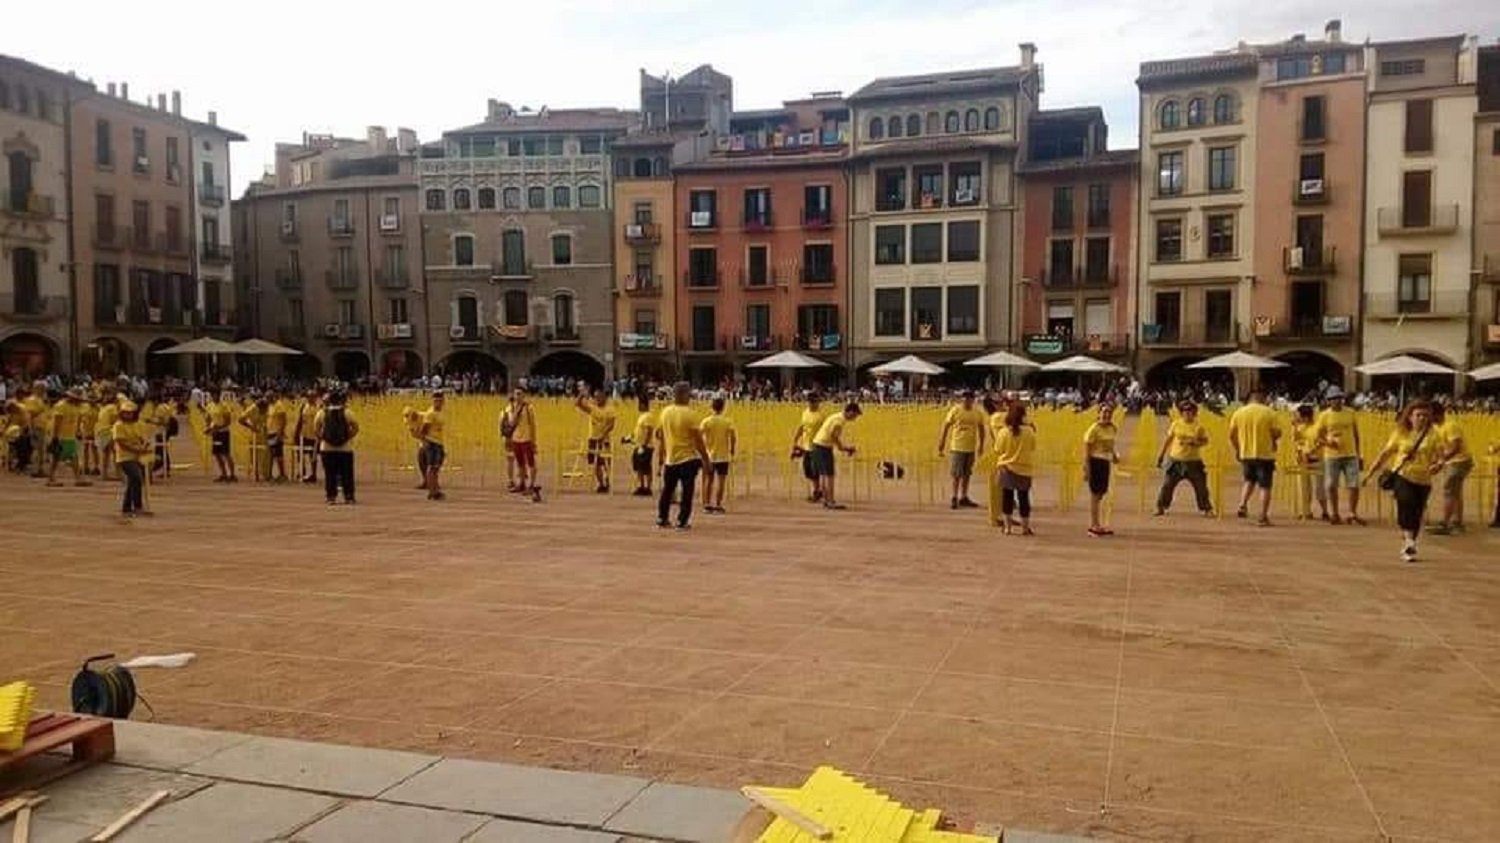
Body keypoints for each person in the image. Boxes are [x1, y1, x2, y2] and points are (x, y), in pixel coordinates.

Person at [1363, 400, 1446, 562]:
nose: (1421, 418)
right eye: (1418, 415)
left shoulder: (1434, 434)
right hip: (1403, 475)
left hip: (1423, 479)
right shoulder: (1401, 433)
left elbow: (1441, 457)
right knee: (1406, 502)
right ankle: (1408, 541)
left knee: (1417, 512)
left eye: (1425, 415)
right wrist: (1370, 473)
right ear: (1409, 417)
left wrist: (1438, 465)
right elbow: (1385, 454)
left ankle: (1409, 543)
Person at [655, 382, 710, 529]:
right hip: (687, 458)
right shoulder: (690, 414)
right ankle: (682, 520)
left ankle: (662, 517)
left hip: (670, 458)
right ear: (684, 394)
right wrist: (705, 458)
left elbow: (659, 434)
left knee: (667, 490)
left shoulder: (665, 412)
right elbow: (698, 440)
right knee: (687, 492)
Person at [1228, 387, 1283, 526]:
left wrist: (1238, 448)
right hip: (1264, 454)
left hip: (1246, 453)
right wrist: (1272, 439)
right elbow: (1277, 432)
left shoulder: (1239, 413)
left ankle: (1242, 504)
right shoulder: (1269, 412)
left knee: (1249, 480)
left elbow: (1232, 435)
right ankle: (1263, 516)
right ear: (1261, 397)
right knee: (1265, 486)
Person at [1154, 400, 1213, 516]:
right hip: (1176, 461)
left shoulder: (1198, 427)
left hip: (1193, 462)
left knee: (1201, 487)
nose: (1187, 413)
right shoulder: (1176, 424)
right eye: (1185, 411)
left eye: (1190, 411)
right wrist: (1161, 456)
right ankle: (1160, 507)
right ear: (1181, 413)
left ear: (1194, 413)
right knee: (1167, 485)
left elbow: (1205, 441)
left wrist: (1196, 443)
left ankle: (1207, 508)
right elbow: (1168, 440)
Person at [1314, 387, 1363, 525]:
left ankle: (1352, 512)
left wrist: (1359, 453)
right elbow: (1318, 436)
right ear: (1329, 401)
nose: (1337, 401)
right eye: (1334, 398)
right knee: (1331, 485)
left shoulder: (1350, 413)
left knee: (1353, 484)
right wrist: (1328, 442)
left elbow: (1356, 434)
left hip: (1350, 454)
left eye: (1339, 398)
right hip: (1332, 455)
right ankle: (1334, 513)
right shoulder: (1324, 415)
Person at [989, 402, 1037, 535]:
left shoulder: (1004, 432)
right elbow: (1032, 447)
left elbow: (998, 449)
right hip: (1024, 468)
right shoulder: (1029, 432)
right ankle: (1025, 527)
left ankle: (1007, 527)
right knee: (1023, 499)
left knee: (1007, 498)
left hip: (1007, 468)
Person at [937, 390, 986, 510]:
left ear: (973, 400)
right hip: (957, 446)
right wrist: (942, 442)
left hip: (970, 447)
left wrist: (981, 445)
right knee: (956, 474)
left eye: (969, 399)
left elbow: (981, 428)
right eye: (965, 399)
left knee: (967, 473)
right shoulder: (955, 410)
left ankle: (964, 496)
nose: (967, 401)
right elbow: (946, 426)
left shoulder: (977, 412)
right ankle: (954, 496)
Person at [1429, 403, 1473, 534]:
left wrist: (1440, 462)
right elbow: (1441, 448)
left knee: (1449, 490)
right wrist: (1436, 460)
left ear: (1436, 414)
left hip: (1460, 461)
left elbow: (1455, 447)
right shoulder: (1438, 427)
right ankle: (1457, 522)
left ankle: (1445, 523)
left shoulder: (1451, 426)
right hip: (1452, 462)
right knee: (1455, 492)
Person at [811, 402, 861, 510]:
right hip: (823, 446)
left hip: (819, 445)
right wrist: (843, 448)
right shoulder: (839, 421)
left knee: (824, 474)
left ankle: (826, 500)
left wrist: (842, 447)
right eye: (855, 415)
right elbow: (834, 436)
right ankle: (830, 501)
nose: (854, 418)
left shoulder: (836, 416)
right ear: (850, 412)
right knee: (829, 475)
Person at [313, 390, 359, 505]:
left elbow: (316, 428)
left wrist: (323, 437)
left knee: (330, 474)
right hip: (345, 449)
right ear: (340, 400)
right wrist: (348, 436)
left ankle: (331, 497)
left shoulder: (321, 413)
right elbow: (356, 427)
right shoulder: (347, 412)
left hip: (327, 449)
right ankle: (349, 496)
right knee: (347, 473)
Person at [1082, 403, 1120, 537]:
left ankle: (1098, 524)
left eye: (1109, 413)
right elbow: (1087, 449)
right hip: (1095, 462)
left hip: (1105, 462)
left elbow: (1111, 445)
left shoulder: (1112, 428)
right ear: (1099, 414)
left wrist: (1114, 456)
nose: (1106, 415)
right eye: (1104, 412)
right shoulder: (1094, 429)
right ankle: (1094, 525)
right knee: (1095, 495)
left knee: (1101, 494)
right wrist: (1086, 468)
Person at [112, 401, 153, 517]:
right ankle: (137, 506)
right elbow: (121, 443)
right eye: (125, 413)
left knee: (132, 482)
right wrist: (137, 450)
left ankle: (126, 508)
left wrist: (144, 445)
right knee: (136, 477)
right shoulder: (118, 425)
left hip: (138, 456)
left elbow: (143, 438)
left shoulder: (138, 424)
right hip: (124, 457)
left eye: (130, 413)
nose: (128, 415)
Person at [575, 387, 617, 493]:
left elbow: (611, 425)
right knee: (595, 462)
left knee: (606, 461)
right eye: (596, 397)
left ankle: (608, 479)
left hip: (604, 439)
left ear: (604, 397)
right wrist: (582, 394)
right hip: (593, 438)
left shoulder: (610, 409)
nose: (597, 399)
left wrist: (603, 435)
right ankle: (601, 483)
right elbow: (578, 404)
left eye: (599, 397)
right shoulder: (592, 407)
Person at [699, 396, 737, 514]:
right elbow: (733, 436)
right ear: (723, 407)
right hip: (723, 455)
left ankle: (706, 504)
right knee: (721, 481)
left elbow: (699, 435)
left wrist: (702, 448)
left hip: (709, 455)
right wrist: (732, 449)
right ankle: (718, 504)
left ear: (712, 407)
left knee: (708, 480)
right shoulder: (727, 421)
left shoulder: (706, 421)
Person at [46, 387, 90, 487]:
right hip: (60, 436)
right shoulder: (61, 406)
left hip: (70, 435)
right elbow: (57, 422)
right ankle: (51, 478)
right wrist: (55, 437)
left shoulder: (76, 407)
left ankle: (78, 478)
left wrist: (78, 430)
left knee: (74, 456)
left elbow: (78, 418)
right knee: (56, 458)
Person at [1292, 404, 1330, 521]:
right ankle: (1306, 511)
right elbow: (1297, 441)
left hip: (1317, 460)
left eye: (1299, 416)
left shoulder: (1318, 427)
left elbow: (1322, 441)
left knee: (1320, 489)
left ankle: (1325, 511)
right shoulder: (1300, 428)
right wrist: (1294, 427)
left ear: (1306, 417)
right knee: (1303, 488)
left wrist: (1312, 451)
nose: (1297, 418)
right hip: (1303, 461)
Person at [791, 393, 829, 502]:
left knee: (815, 470)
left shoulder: (821, 416)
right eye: (810, 401)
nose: (812, 404)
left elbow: (825, 431)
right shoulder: (805, 413)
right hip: (806, 445)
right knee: (807, 469)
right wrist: (796, 439)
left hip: (817, 446)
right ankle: (817, 490)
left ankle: (817, 491)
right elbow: (802, 427)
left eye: (814, 401)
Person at [506, 388, 541, 501]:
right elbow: (511, 422)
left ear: (524, 395)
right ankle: (521, 483)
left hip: (527, 439)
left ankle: (531, 484)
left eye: (519, 394)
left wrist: (533, 441)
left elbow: (533, 425)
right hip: (516, 438)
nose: (517, 396)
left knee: (531, 463)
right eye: (516, 394)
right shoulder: (512, 408)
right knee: (520, 463)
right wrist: (513, 408)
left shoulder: (528, 408)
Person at [418, 390, 447, 501]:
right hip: (431, 442)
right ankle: (432, 491)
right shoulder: (430, 414)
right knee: (432, 467)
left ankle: (435, 489)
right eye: (436, 400)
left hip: (438, 442)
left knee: (436, 467)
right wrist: (424, 441)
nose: (438, 402)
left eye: (440, 400)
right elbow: (424, 429)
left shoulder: (440, 412)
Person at [205, 390, 237, 482]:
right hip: (216, 433)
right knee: (217, 454)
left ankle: (232, 474)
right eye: (213, 395)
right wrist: (209, 428)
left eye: (216, 395)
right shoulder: (210, 406)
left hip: (223, 432)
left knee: (226, 453)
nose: (215, 396)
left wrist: (218, 427)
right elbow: (208, 418)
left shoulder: (224, 405)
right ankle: (223, 474)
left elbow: (228, 421)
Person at [628, 394, 657, 497]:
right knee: (638, 467)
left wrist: (644, 445)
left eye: (640, 405)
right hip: (638, 444)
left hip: (646, 446)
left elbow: (649, 431)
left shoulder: (648, 416)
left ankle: (648, 487)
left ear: (644, 405)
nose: (638, 407)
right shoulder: (641, 417)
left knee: (646, 467)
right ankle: (641, 486)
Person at [266, 391, 292, 482]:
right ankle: (270, 474)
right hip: (270, 432)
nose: (267, 399)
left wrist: (280, 433)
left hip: (276, 432)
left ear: (273, 397)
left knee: (278, 454)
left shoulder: (279, 405)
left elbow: (283, 420)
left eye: (268, 397)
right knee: (271, 454)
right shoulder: (270, 406)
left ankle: (282, 474)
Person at [295, 391, 320, 483]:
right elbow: (300, 420)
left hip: (314, 435)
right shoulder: (303, 407)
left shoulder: (319, 408)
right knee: (300, 453)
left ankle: (313, 474)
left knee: (312, 455)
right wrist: (296, 432)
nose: (310, 398)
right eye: (309, 396)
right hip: (304, 434)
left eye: (312, 396)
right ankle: (302, 471)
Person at [94, 394, 120, 481]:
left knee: (106, 454)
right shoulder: (113, 407)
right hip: (108, 431)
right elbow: (115, 420)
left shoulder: (103, 408)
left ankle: (104, 474)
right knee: (116, 452)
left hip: (100, 431)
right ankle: (117, 473)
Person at [80, 395, 100, 476]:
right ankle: (85, 466)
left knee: (94, 449)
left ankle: (96, 466)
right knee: (85, 449)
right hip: (85, 430)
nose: (92, 401)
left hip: (95, 431)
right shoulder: (84, 407)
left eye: (94, 399)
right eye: (90, 399)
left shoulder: (99, 408)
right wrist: (78, 429)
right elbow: (80, 418)